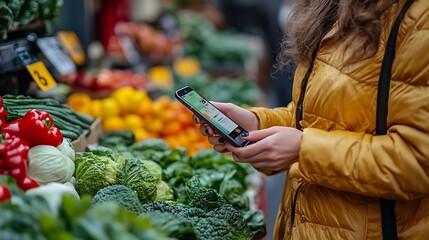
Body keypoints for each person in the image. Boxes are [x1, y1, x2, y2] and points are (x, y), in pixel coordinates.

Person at [193, 0, 429, 239]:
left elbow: (418, 162)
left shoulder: (419, 18)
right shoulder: (337, 6)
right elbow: (318, 119)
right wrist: (257, 123)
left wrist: (304, 149)